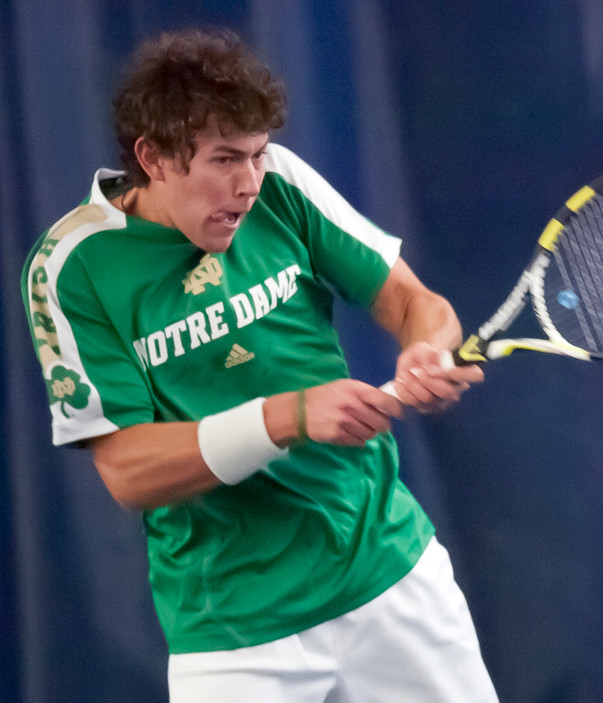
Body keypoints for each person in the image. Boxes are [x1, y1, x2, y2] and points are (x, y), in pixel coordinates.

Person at [22, 28, 498, 702]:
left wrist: (425, 345)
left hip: (388, 571)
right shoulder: (70, 268)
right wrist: (288, 416)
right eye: (223, 160)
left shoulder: (281, 184)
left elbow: (413, 301)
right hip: (233, 629)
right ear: (153, 158)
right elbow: (128, 470)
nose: (248, 184)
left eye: (256, 155)